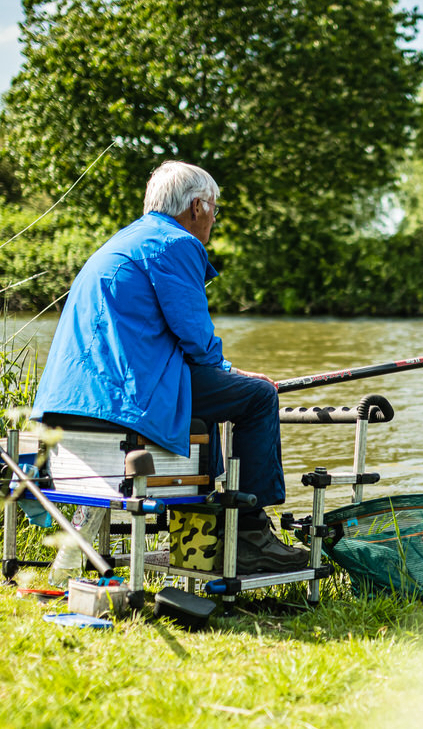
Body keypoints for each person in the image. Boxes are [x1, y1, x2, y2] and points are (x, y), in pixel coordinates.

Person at [32, 160, 308, 573]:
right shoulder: (176, 243)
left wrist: (221, 373)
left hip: (65, 401)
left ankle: (208, 527)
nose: (214, 219)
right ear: (197, 206)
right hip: (121, 398)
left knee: (209, 397)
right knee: (258, 397)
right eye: (215, 208)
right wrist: (231, 372)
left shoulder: (123, 240)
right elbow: (196, 337)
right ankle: (251, 536)